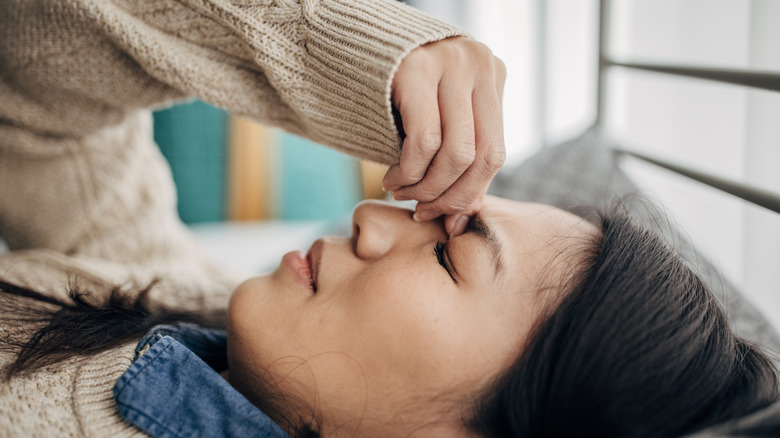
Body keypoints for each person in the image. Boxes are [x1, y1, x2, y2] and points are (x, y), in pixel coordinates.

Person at [0, 1, 778, 438]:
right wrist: (359, 59)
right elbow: (36, 84)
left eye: (446, 259)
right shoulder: (172, 306)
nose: (369, 218)